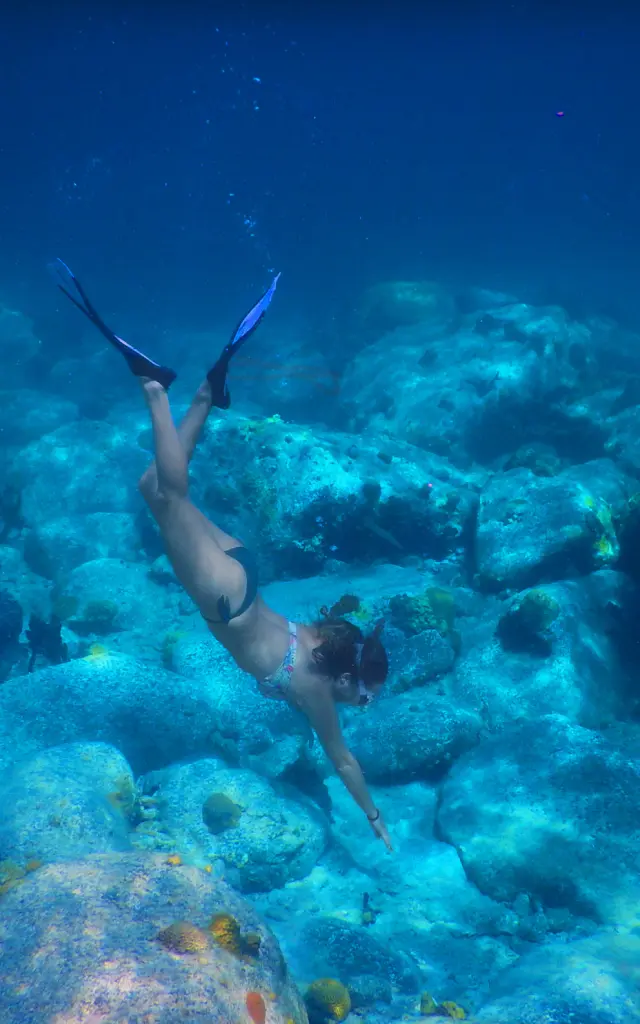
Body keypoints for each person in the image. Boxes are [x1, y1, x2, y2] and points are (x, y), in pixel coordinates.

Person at [52, 260, 393, 850]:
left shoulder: (325, 637)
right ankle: (155, 389)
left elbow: (356, 647)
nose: (361, 706)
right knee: (173, 493)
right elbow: (341, 760)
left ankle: (208, 394)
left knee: (153, 490)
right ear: (345, 677)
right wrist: (375, 819)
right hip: (224, 597)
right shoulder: (317, 686)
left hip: (243, 573)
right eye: (363, 696)